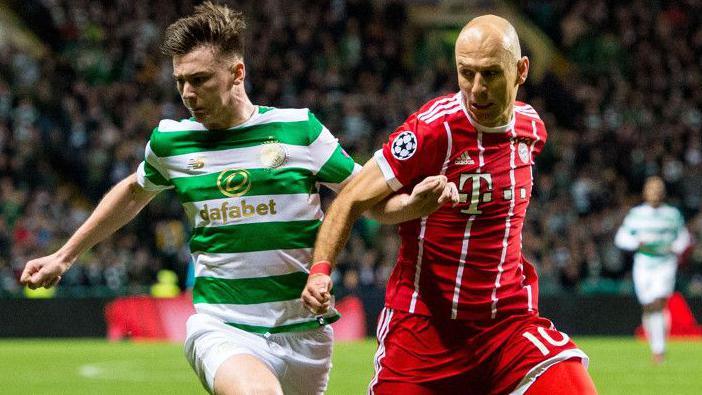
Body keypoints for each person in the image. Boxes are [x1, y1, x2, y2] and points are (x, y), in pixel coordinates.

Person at [19, 3, 456, 395]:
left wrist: (414, 205)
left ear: (237, 73)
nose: (188, 93)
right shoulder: (172, 141)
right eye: (181, 82)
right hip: (223, 325)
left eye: (200, 80)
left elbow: (364, 199)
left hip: (304, 333)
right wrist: (64, 256)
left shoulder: (299, 130)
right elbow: (134, 192)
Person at [302, 15, 597, 394]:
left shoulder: (531, 129)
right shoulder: (433, 129)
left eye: (490, 74)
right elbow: (353, 197)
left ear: (521, 70)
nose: (476, 90)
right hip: (425, 332)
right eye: (466, 73)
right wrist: (321, 270)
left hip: (506, 327)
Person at [614, 176, 691, 364]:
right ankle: (656, 344)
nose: (655, 192)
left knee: (658, 302)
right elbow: (621, 237)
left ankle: (659, 350)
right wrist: (636, 243)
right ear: (645, 192)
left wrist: (677, 246)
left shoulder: (672, 214)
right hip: (643, 263)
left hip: (665, 263)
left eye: (659, 188)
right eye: (652, 188)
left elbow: (683, 237)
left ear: (663, 192)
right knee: (649, 305)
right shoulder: (637, 214)